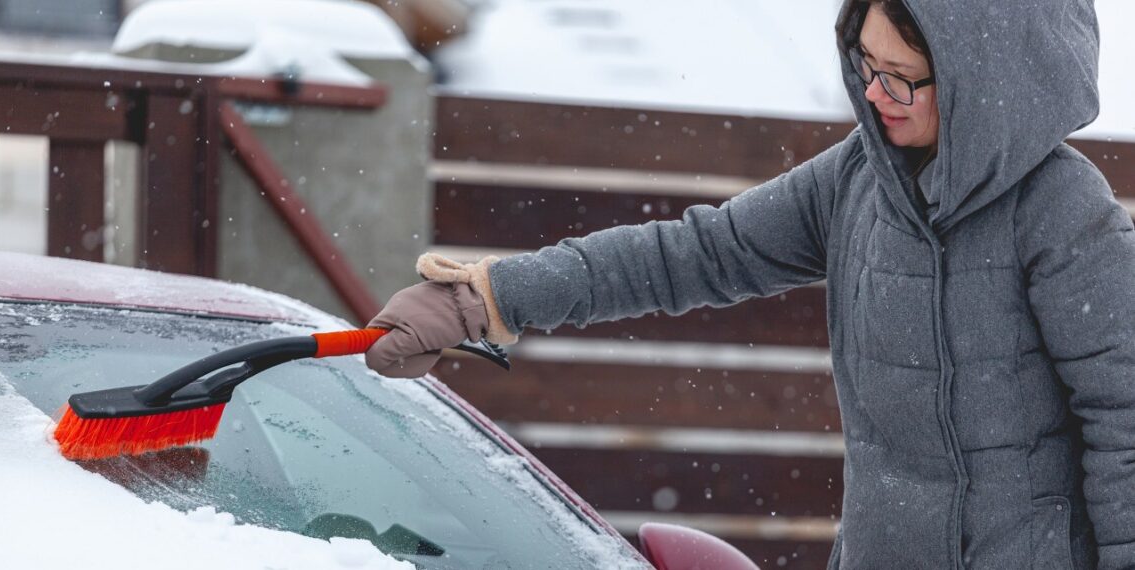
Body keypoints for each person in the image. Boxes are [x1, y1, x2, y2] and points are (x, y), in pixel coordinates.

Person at [365, 0, 1133, 567]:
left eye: (901, 80)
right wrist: (489, 297)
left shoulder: (1060, 212)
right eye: (866, 67)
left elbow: (1125, 415)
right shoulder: (858, 183)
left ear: (983, 84)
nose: (873, 96)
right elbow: (693, 253)